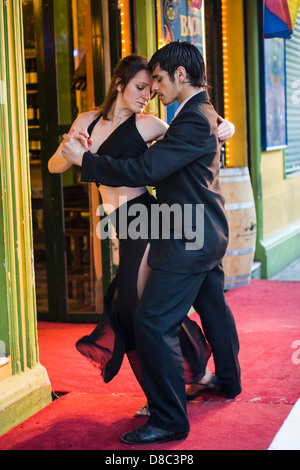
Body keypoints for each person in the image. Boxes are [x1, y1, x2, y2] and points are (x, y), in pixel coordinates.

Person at [60, 43, 241, 445]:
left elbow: (148, 168)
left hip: (187, 235)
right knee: (212, 308)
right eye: (144, 83)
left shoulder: (193, 119)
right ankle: (228, 381)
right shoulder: (197, 115)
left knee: (151, 321)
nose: (153, 90)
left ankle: (170, 419)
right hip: (194, 230)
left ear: (179, 74)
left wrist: (87, 163)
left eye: (157, 80)